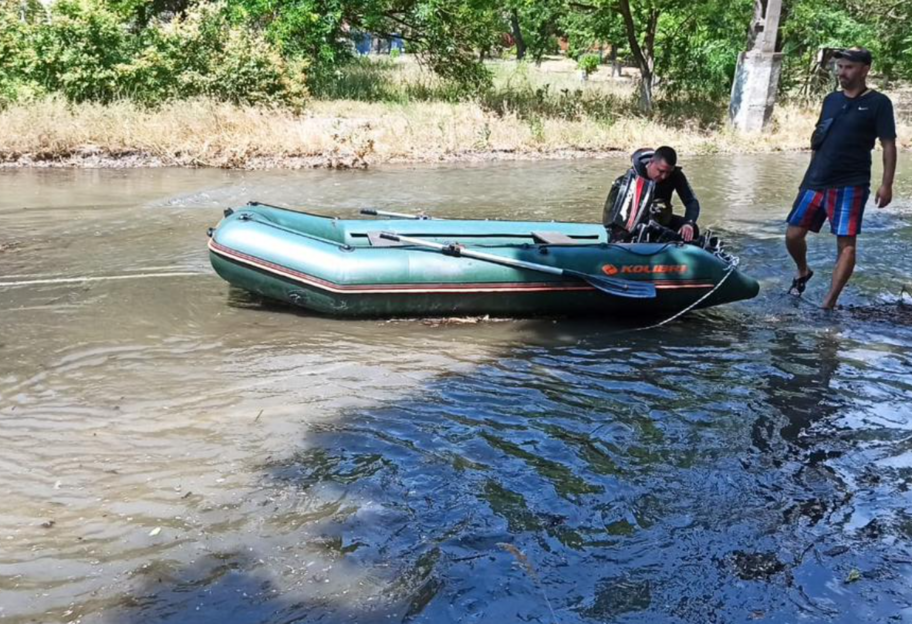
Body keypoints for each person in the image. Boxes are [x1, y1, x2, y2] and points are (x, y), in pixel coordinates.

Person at [785, 47, 897, 309]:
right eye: (839, 67)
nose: (841, 72)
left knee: (846, 244)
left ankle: (828, 303)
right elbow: (819, 138)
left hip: (851, 182)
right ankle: (803, 271)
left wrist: (887, 184)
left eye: (847, 67)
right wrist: (808, 177)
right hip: (817, 180)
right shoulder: (831, 100)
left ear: (864, 69)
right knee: (793, 234)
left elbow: (889, 144)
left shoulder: (879, 103)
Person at [602, 146, 701, 242]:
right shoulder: (635, 175)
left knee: (693, 230)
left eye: (668, 172)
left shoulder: (675, 176)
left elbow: (691, 201)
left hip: (661, 220)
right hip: (637, 221)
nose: (663, 176)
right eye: (661, 171)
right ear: (651, 162)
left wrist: (689, 223)